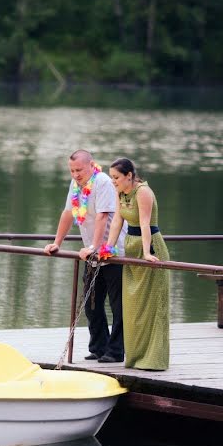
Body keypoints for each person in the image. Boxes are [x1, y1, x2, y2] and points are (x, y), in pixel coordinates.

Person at [44, 149, 126, 363]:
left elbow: (102, 216)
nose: (75, 174)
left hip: (114, 251)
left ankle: (116, 351)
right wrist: (56, 243)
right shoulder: (75, 185)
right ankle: (98, 347)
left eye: (79, 170)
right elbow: (67, 213)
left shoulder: (103, 182)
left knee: (118, 306)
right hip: (92, 253)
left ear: (91, 165)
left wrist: (94, 247)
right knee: (91, 303)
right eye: (72, 170)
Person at [99, 157, 169, 370]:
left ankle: (153, 359)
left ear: (129, 176)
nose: (113, 181)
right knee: (133, 307)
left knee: (151, 305)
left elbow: (146, 223)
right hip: (130, 245)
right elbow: (118, 222)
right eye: (112, 178)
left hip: (149, 245)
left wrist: (147, 252)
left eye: (117, 177)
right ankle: (135, 357)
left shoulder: (143, 192)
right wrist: (108, 248)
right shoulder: (121, 192)